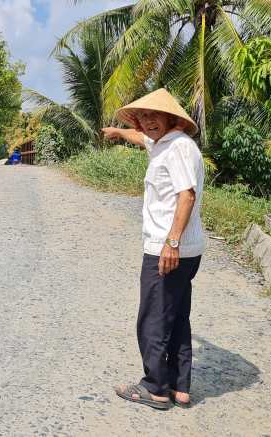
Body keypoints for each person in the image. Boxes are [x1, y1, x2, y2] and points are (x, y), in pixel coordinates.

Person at [101, 88, 206, 411]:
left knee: (153, 320)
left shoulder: (177, 148)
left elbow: (186, 195)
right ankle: (179, 386)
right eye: (143, 116)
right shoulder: (165, 143)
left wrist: (171, 243)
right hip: (185, 249)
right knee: (177, 317)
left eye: (154, 115)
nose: (147, 122)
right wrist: (119, 132)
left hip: (168, 248)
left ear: (171, 118)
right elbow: (142, 138)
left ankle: (155, 387)